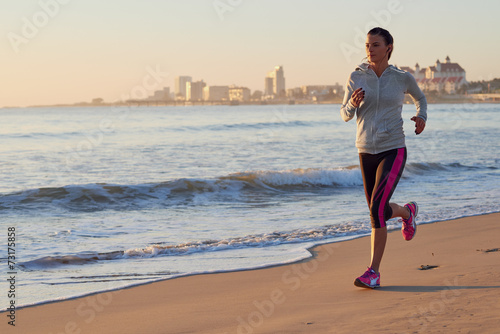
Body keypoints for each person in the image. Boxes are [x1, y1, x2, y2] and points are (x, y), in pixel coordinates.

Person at [340, 27, 427, 289]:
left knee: (377, 209)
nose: (369, 50)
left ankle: (373, 272)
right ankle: (407, 212)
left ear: (388, 47)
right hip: (365, 150)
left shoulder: (402, 77)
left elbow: (420, 98)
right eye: (367, 45)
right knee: (376, 210)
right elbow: (344, 114)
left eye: (375, 45)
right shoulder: (356, 76)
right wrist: (353, 104)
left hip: (393, 148)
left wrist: (421, 117)